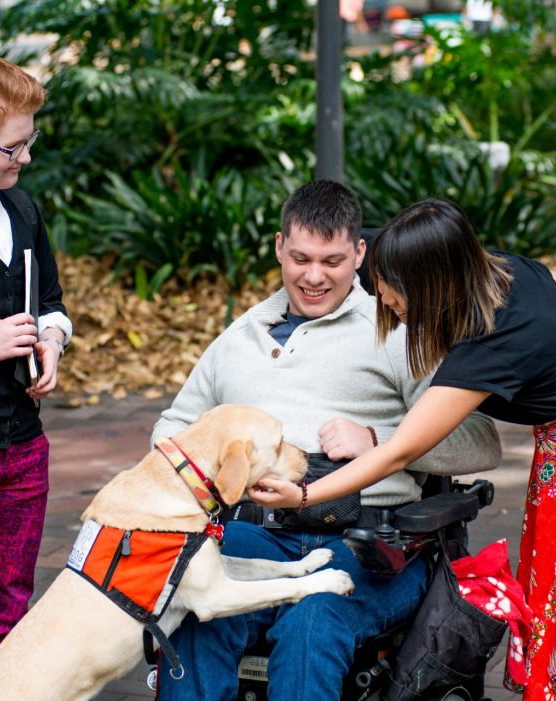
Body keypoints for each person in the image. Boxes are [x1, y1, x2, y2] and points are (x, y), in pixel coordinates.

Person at [252, 198, 556, 701]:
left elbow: (398, 454)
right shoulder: (499, 271)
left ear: (427, 282)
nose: (384, 301)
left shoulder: (487, 344)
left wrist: (304, 497)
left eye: (392, 295)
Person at [151, 180, 501, 700]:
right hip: (255, 533)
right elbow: (172, 429)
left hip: (364, 542)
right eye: (301, 258)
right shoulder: (241, 336)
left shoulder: (398, 329)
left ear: (360, 254)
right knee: (200, 610)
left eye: (333, 261)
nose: (314, 277)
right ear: (278, 248)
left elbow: (481, 441)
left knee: (313, 624)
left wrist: (380, 441)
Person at [0, 56, 72, 672]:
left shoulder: (20, 210)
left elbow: (54, 304)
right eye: (13, 147)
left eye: (29, 141)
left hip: (22, 448)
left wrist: (53, 340)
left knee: (6, 605)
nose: (25, 159)